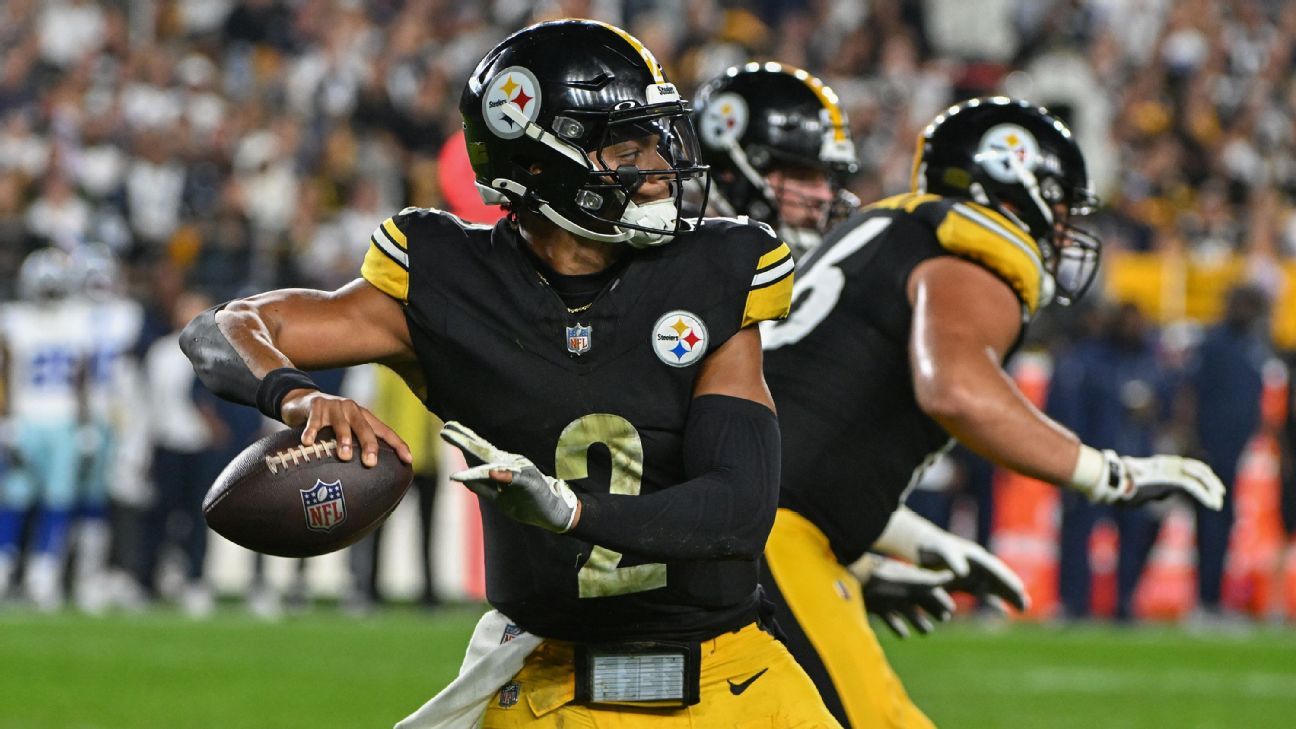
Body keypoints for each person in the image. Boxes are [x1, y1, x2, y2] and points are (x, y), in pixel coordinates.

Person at [182, 19, 841, 729]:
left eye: (657, 139)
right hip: (547, 682)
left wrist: (571, 511)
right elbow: (219, 329)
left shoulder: (713, 270)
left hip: (732, 677)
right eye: (628, 145)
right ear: (539, 163)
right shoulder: (446, 281)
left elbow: (739, 510)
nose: (658, 166)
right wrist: (298, 395)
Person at [704, 80, 1226, 728]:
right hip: (771, 531)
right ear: (1014, 184)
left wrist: (892, 544)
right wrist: (1108, 473)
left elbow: (813, 428)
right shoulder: (967, 250)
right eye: (1060, 205)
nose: (1066, 227)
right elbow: (953, 387)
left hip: (749, 520)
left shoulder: (892, 229)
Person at [695, 66, 1033, 727]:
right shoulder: (687, 285)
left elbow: (777, 468)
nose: (825, 195)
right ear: (732, 166)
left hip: (724, 571)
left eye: (830, 177)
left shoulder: (758, 286)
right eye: (805, 173)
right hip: (657, 600)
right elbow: (714, 470)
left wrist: (863, 555)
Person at [1046, 302, 1171, 621]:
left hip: (1137, 465)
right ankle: (1074, 604)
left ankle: (1126, 602)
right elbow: (1072, 413)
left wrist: (1153, 408)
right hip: (1096, 462)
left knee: (1135, 535)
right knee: (1079, 531)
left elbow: (1168, 405)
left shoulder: (1149, 361)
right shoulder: (1092, 360)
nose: (1133, 329)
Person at [0, 247, 90, 610]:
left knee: (57, 499)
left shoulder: (77, 320)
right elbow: (4, 374)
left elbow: (80, 379)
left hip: (63, 420)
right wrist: (6, 422)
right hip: (28, 417)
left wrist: (84, 425)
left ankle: (43, 572)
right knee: (15, 498)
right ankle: (7, 567)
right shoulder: (15, 320)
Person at [1182, 283, 1272, 620]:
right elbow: (1190, 392)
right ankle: (1204, 601)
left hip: (1234, 450)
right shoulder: (1214, 342)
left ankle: (1214, 599)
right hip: (1210, 448)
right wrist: (1193, 440)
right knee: (1208, 525)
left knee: (1223, 524)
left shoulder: (1252, 344)